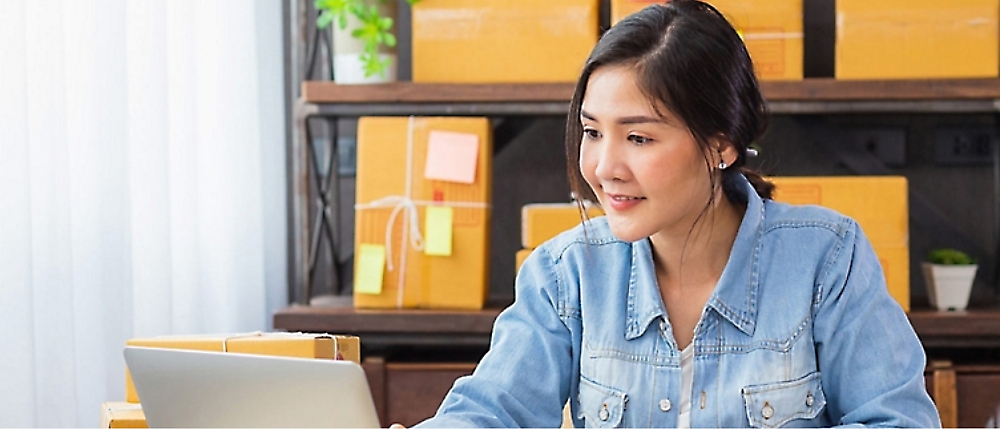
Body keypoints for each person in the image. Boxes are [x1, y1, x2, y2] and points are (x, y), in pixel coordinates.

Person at [412, 1, 941, 427]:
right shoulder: (565, 274)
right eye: (593, 132)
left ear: (722, 145)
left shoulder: (827, 259)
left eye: (638, 137)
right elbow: (491, 411)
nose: (603, 167)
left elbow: (898, 421)